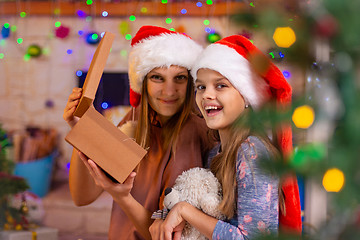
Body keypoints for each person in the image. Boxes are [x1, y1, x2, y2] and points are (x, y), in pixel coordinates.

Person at [63, 25, 215, 240]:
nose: (169, 91)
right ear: (143, 82)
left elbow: (168, 236)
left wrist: (122, 197)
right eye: (157, 78)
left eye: (179, 78)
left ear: (191, 81)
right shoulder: (134, 121)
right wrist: (82, 129)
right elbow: (82, 196)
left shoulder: (199, 131)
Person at [150, 35, 302, 239]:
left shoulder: (252, 152)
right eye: (201, 87)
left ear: (246, 96)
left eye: (220, 85)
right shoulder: (216, 152)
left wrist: (185, 210)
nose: (206, 95)